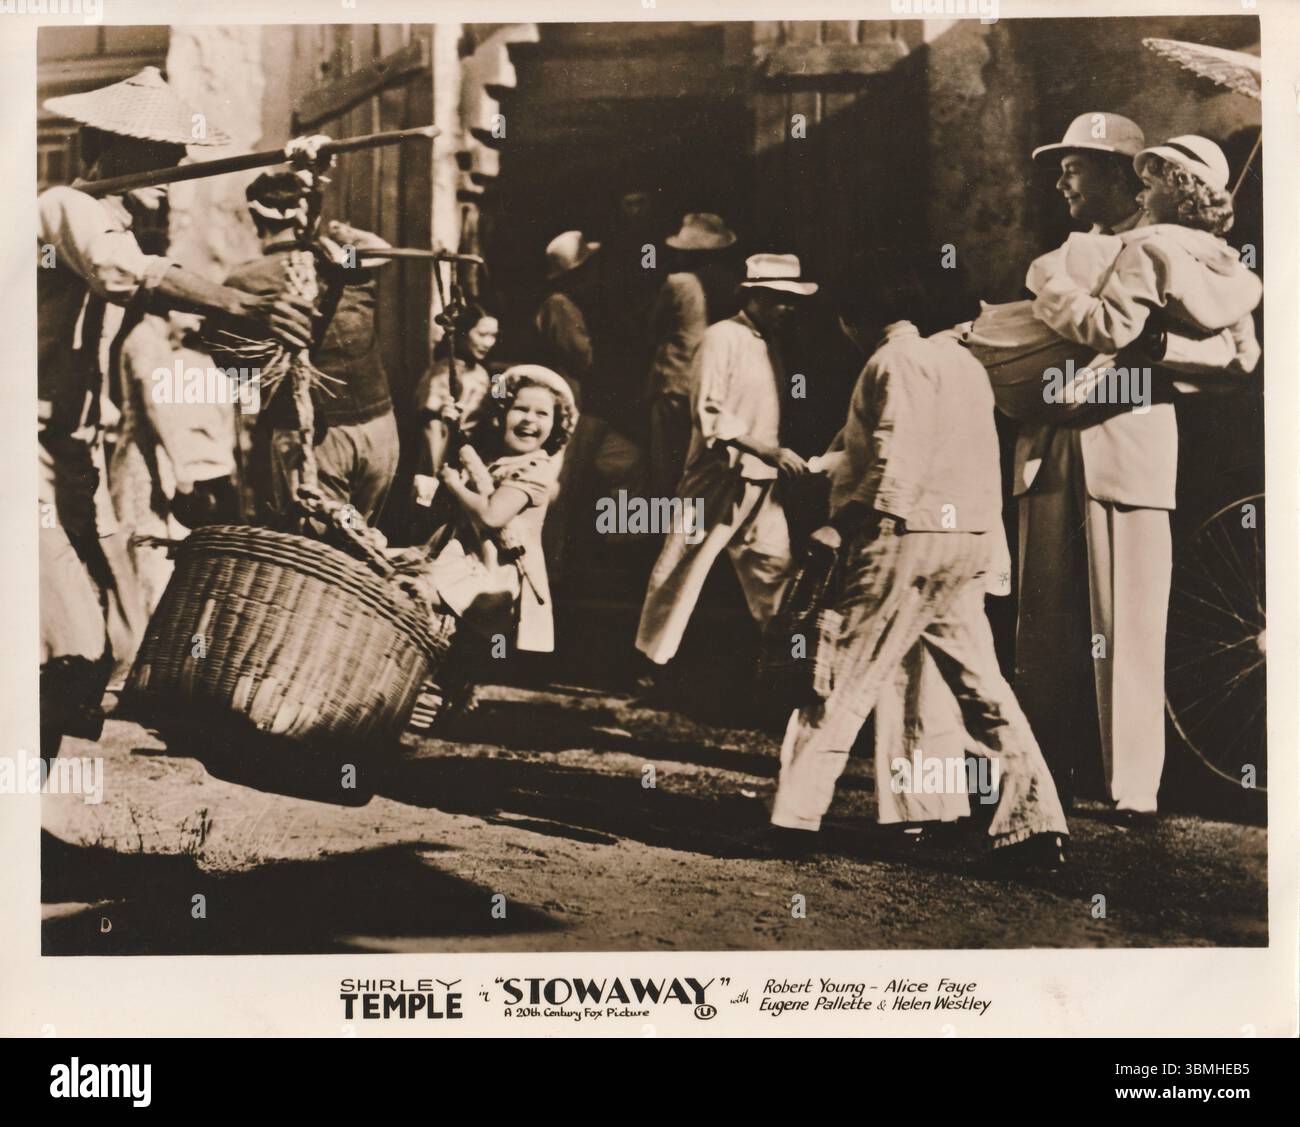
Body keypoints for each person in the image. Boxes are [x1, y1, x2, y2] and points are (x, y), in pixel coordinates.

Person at [38, 67, 313, 752]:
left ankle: (26, 828)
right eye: (156, 155)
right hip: (23, 453)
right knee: (66, 642)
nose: (172, 171)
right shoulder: (64, 210)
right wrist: (244, 302)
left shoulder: (119, 230)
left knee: (99, 650)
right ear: (107, 148)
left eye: (175, 156)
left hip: (74, 462)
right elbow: (128, 276)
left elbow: (154, 326)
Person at [767, 269, 1069, 870]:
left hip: (904, 537)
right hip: (966, 540)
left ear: (853, 321)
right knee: (982, 685)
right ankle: (1036, 821)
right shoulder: (959, 365)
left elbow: (894, 455)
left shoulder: (891, 362)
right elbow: (952, 451)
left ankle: (794, 822)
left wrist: (842, 525)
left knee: (840, 676)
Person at [1015, 116, 1261, 820]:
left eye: (1076, 166)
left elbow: (1239, 357)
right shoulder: (1071, 250)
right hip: (1051, 442)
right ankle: (1039, 779)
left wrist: (1154, 351)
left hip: (1131, 443)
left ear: (1127, 174)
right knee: (1040, 623)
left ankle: (1132, 788)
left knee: (1129, 621)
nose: (1062, 179)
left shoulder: (1177, 253)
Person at [635, 253, 815, 669]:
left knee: (773, 568)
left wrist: (771, 457)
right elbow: (708, 411)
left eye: (792, 302)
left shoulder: (771, 346)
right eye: (779, 300)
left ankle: (787, 664)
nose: (787, 310)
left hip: (761, 482)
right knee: (680, 566)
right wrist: (766, 450)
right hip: (716, 477)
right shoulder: (720, 337)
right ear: (754, 297)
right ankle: (648, 663)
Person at [223, 172, 399, 526]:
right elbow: (381, 250)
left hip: (314, 438)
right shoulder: (346, 265)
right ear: (303, 214)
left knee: (319, 556)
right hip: (380, 429)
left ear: (255, 220)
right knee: (363, 546)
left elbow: (235, 371)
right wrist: (343, 237)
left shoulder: (246, 280)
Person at [644, 213, 740, 498]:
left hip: (677, 380)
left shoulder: (679, 282)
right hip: (715, 383)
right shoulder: (731, 283)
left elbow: (654, 327)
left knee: (667, 466)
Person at [414, 303, 500, 475]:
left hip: (474, 455)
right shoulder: (443, 374)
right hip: (447, 457)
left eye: (493, 335)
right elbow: (433, 428)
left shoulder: (483, 372)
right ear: (462, 334)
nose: (489, 342)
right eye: (482, 335)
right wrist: (435, 473)